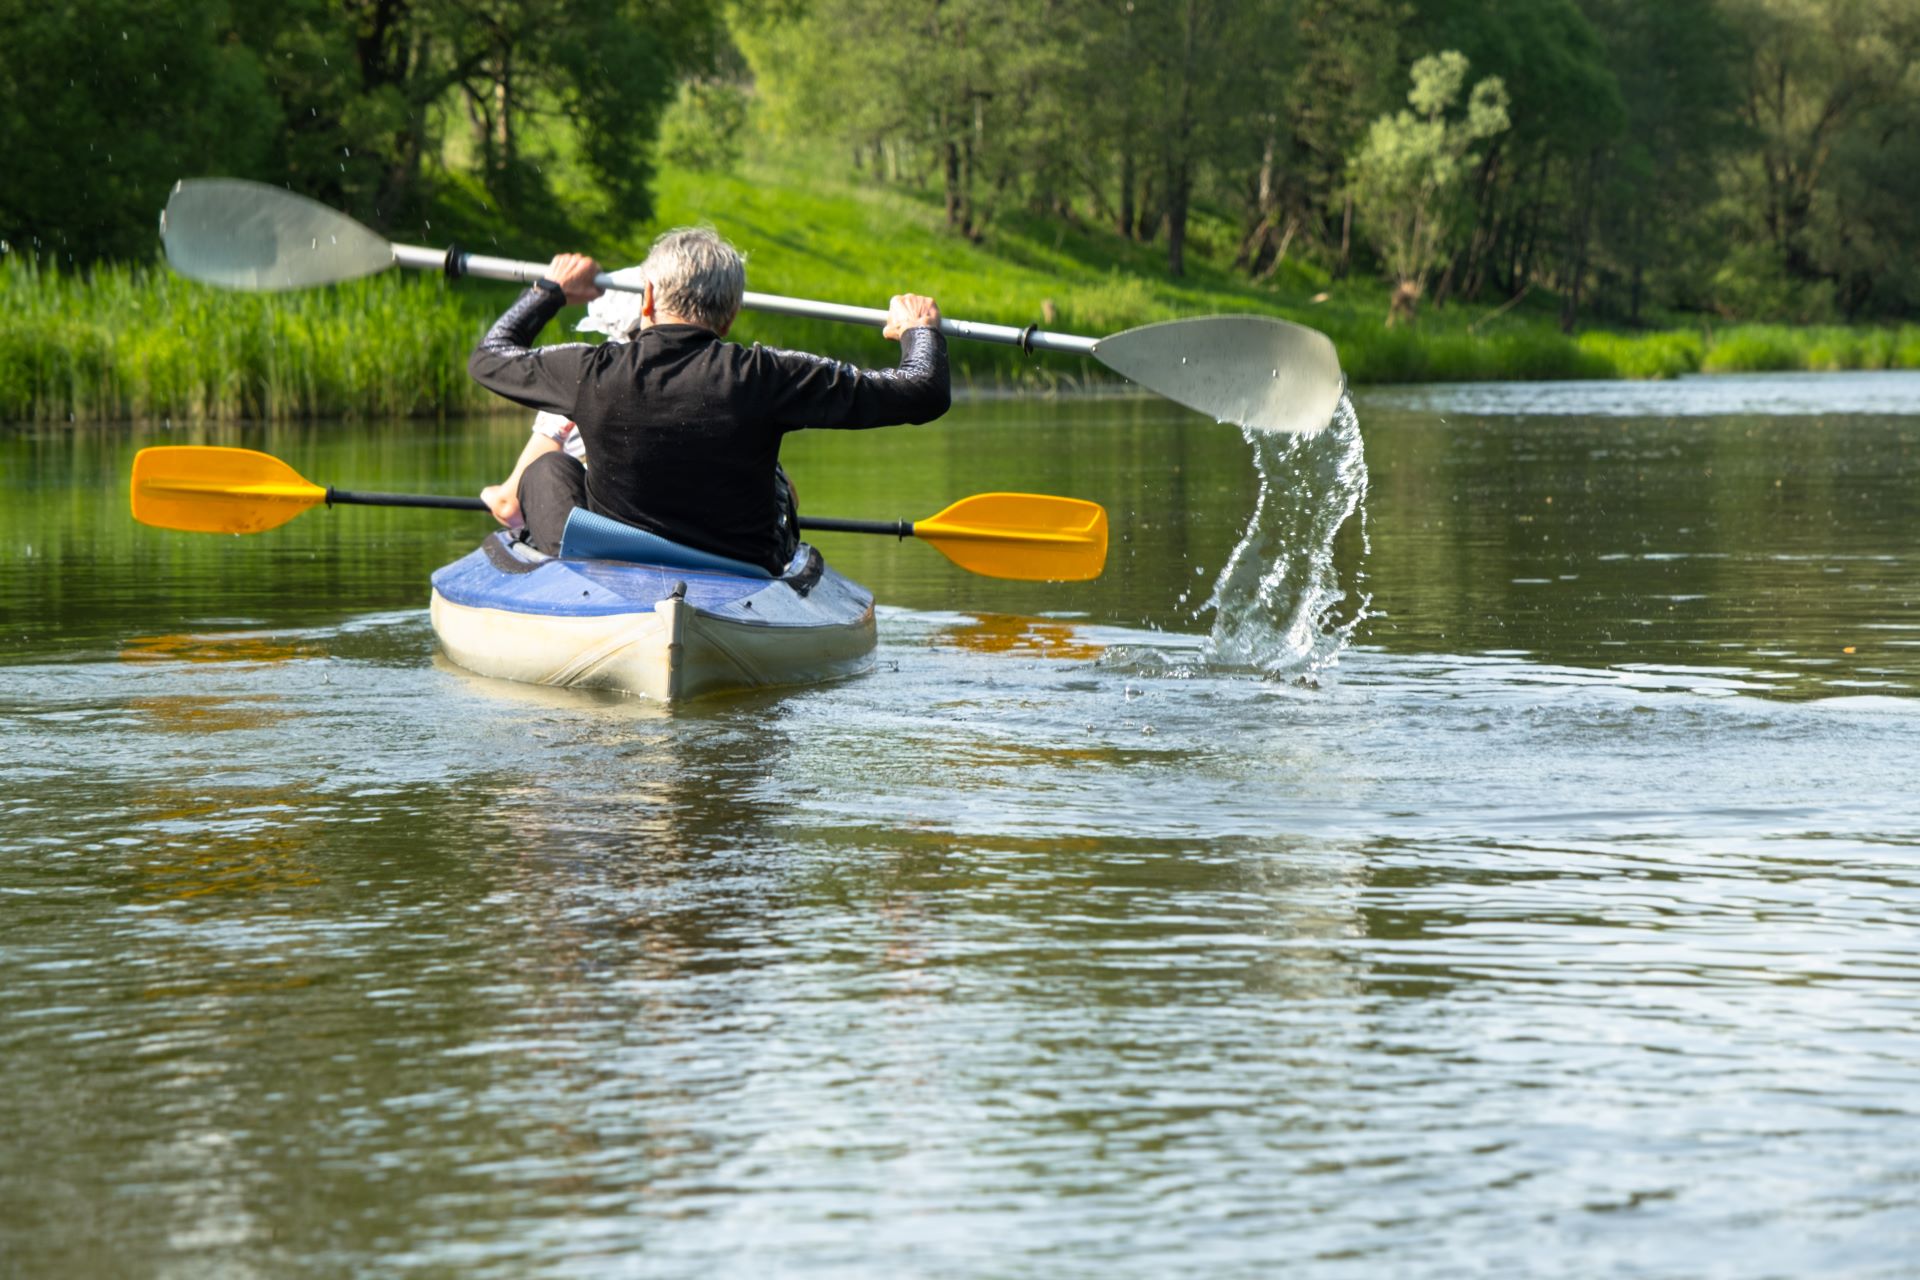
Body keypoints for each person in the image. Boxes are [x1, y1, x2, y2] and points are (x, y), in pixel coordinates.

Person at [467, 227, 949, 573]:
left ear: (648, 298)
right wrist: (919, 332)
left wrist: (549, 293)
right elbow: (921, 390)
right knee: (777, 483)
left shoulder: (590, 369)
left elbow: (489, 358)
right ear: (732, 311)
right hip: (739, 564)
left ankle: (566, 571)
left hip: (619, 559)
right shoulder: (767, 374)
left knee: (546, 471)